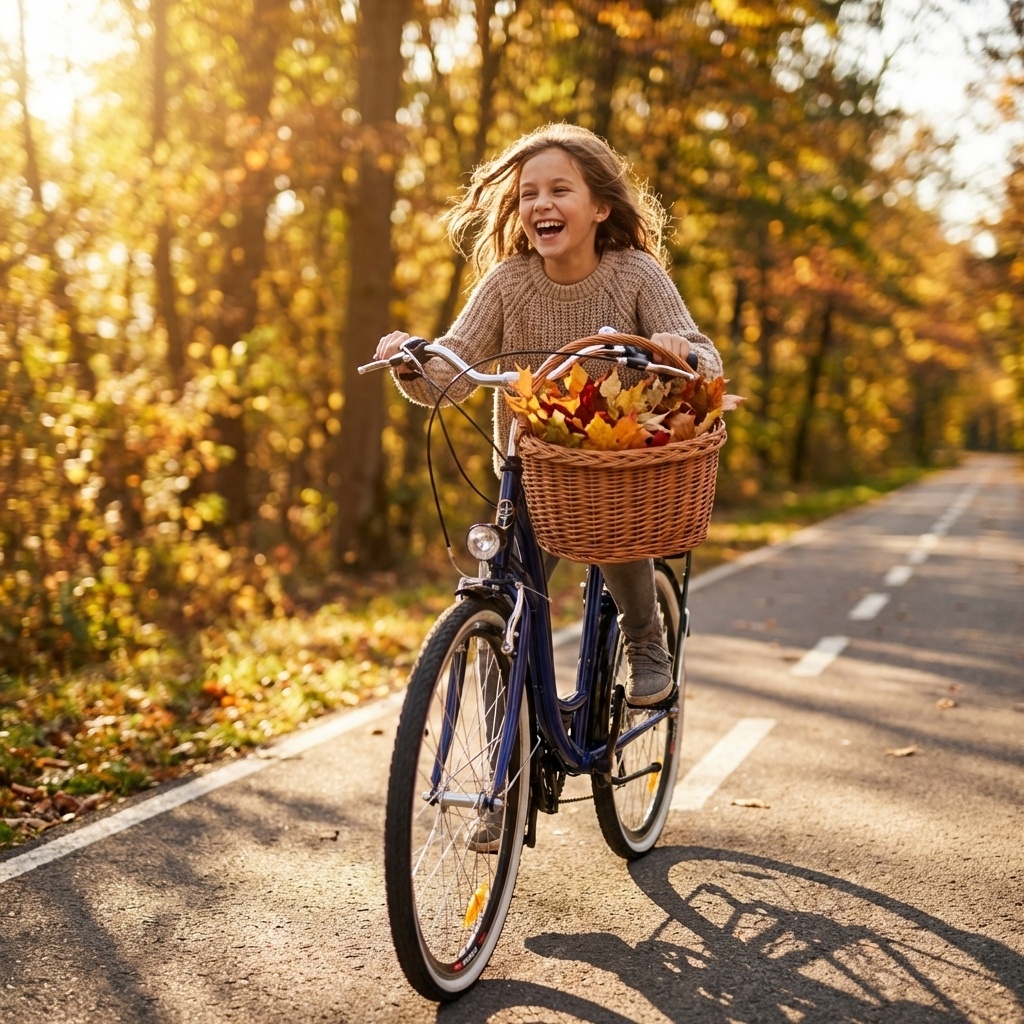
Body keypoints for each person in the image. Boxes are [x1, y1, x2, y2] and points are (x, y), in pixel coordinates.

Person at [375, 122, 723, 709]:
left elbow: (703, 354)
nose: (542, 204)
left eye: (560, 190)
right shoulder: (508, 283)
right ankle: (506, 746)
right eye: (528, 194)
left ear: (600, 207)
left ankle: (644, 640)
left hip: (615, 463)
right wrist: (414, 361)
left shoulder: (635, 273)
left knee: (614, 534)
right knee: (510, 598)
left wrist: (681, 351)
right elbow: (451, 374)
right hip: (531, 466)